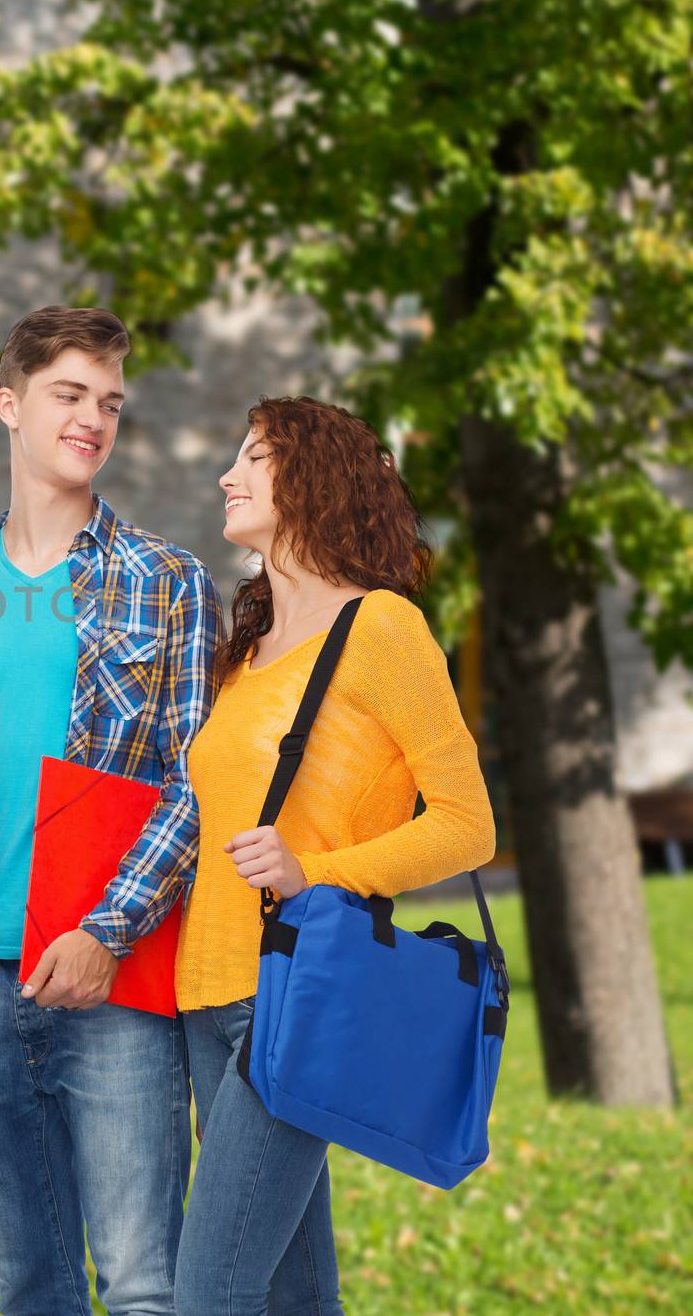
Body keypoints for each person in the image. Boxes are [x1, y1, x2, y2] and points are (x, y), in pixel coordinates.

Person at [0, 307, 222, 1316]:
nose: (93, 417)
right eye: (69, 394)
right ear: (10, 404)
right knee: (29, 1284)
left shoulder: (167, 580)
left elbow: (196, 778)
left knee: (141, 1284)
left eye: (110, 402)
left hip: (116, 977)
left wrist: (106, 927)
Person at [172, 397, 497, 1316]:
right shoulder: (247, 651)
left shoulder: (382, 629)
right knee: (294, 1296)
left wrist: (318, 873)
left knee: (211, 1295)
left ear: (314, 478)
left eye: (255, 459)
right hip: (207, 998)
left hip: (297, 993)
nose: (228, 476)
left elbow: (469, 823)